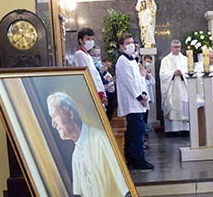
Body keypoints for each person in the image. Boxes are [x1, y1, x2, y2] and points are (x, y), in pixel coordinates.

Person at [46, 92, 146, 197]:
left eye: (54, 116)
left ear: (70, 114)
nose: (53, 124)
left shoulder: (101, 141)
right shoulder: (76, 152)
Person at [115, 33, 154, 170]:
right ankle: (138, 160)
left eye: (132, 42)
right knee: (137, 131)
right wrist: (139, 97)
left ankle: (133, 158)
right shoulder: (122, 61)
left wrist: (144, 94)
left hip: (138, 101)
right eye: (127, 43)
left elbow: (139, 79)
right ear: (121, 47)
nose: (131, 45)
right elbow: (129, 82)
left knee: (135, 131)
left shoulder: (132, 60)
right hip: (132, 102)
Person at [71, 27, 107, 108]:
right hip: (89, 93)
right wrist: (97, 93)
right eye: (88, 39)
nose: (90, 41)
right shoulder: (80, 54)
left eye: (92, 39)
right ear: (81, 40)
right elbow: (88, 75)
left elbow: (95, 75)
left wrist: (101, 91)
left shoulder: (87, 55)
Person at [159, 39, 189, 134]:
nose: (177, 49)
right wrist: (173, 73)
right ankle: (173, 130)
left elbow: (189, 72)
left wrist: (182, 73)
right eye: (175, 47)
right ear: (171, 47)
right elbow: (162, 75)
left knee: (183, 105)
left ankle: (185, 129)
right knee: (172, 106)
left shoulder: (185, 59)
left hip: (182, 86)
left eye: (179, 47)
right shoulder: (165, 60)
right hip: (172, 87)